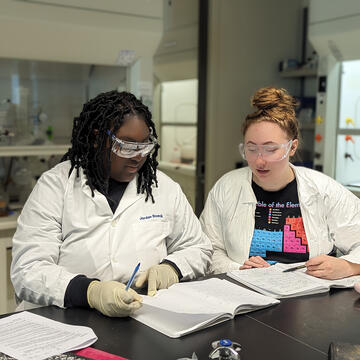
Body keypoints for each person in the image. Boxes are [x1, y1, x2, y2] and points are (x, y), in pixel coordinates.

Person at [11, 90, 212, 317]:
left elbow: (198, 247)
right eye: (126, 146)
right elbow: (27, 270)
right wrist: (90, 292)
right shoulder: (56, 186)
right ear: (98, 138)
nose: (138, 156)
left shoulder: (163, 188)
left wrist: (172, 267)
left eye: (144, 146)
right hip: (65, 318)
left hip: (140, 315)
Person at [200, 86, 360, 280]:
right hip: (246, 295)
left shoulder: (324, 190)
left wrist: (348, 266)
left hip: (310, 298)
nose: (259, 160)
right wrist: (239, 269)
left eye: (270, 149)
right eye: (251, 149)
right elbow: (208, 249)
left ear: (292, 147)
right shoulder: (226, 188)